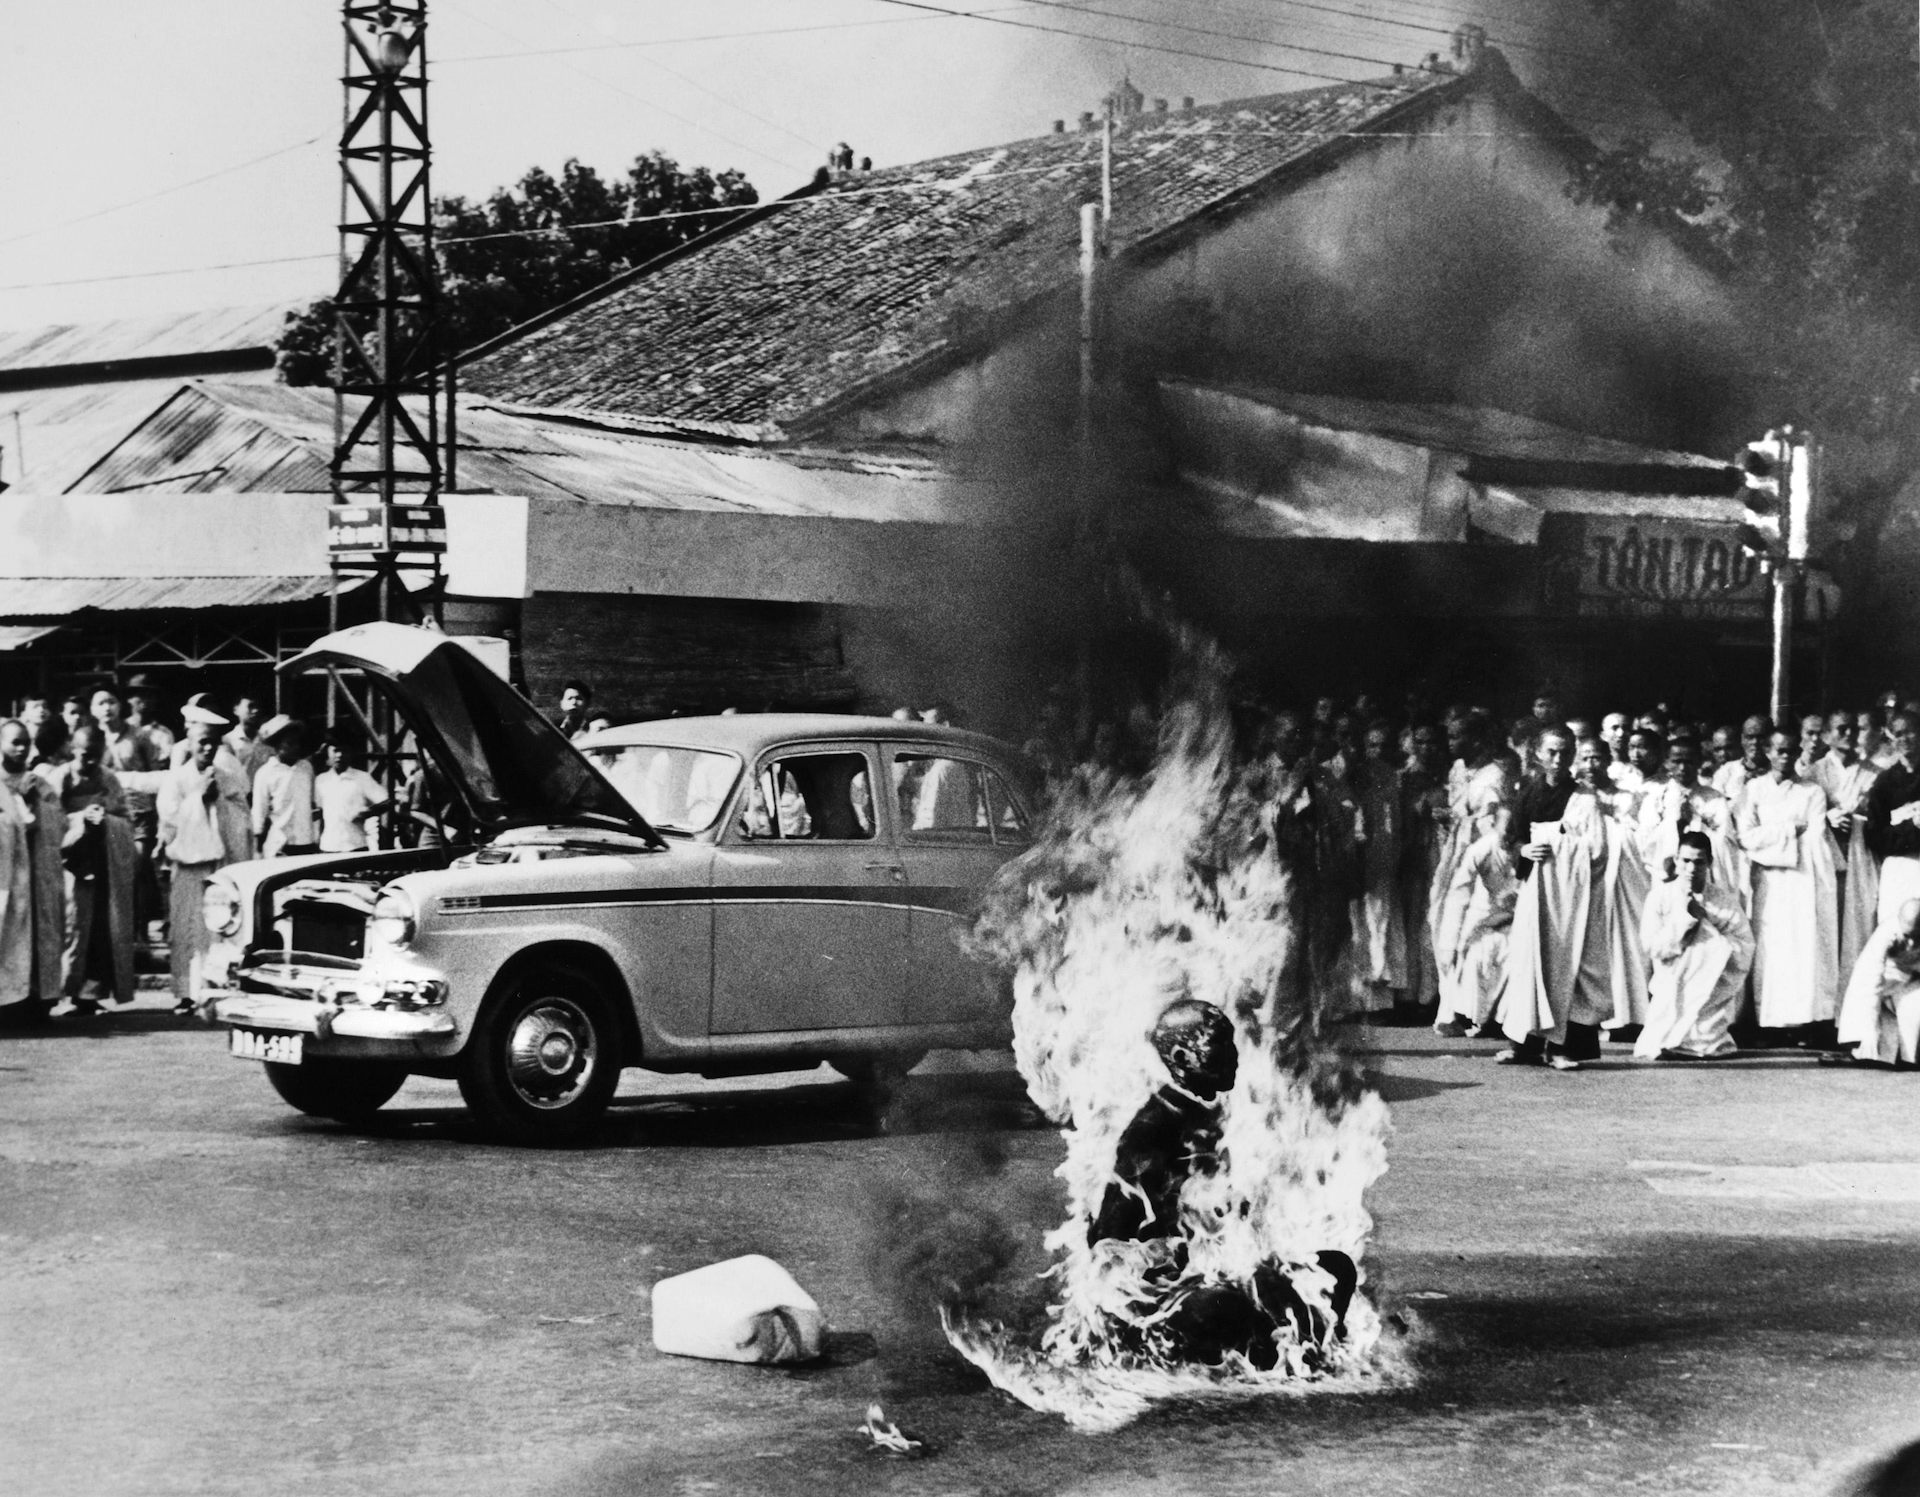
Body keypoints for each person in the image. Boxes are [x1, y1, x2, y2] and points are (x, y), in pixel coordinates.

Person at [1088, 998, 1357, 1369]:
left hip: (1221, 1270)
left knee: (1335, 1268)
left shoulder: (1215, 1116)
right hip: (1168, 1294)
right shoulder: (1151, 1129)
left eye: (1232, 1043)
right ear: (1182, 1058)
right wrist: (1167, 1254)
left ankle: (1294, 1348)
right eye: (1220, 1045)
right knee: (1221, 1306)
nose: (1233, 1056)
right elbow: (1106, 1242)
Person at [1495, 732, 1614, 1070]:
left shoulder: (1584, 798)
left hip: (1572, 898)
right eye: (1552, 752)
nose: (1559, 760)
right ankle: (1525, 1047)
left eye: (1565, 753)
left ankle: (1563, 1048)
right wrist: (1525, 849)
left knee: (1569, 967)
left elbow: (1597, 850)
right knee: (1530, 964)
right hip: (1537, 892)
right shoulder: (1529, 792)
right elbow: (1513, 837)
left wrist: (1558, 843)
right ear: (1537, 754)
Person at [1738, 727, 1839, 1037]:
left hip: (1802, 882)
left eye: (1791, 750)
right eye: (1779, 750)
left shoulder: (1812, 792)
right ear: (1767, 751)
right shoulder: (1753, 790)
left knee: (1801, 947)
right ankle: (1769, 1023)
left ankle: (1802, 1022)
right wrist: (1787, 830)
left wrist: (1774, 838)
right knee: (1770, 946)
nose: (1786, 756)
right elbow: (1746, 837)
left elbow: (1814, 839)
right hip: (1767, 883)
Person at [42, 724, 139, 1014]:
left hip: (103, 862)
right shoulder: (59, 778)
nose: (91, 762)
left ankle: (89, 995)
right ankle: (61, 992)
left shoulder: (109, 779)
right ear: (73, 749)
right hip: (69, 864)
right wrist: (80, 819)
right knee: (72, 927)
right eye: (85, 755)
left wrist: (107, 820)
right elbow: (51, 822)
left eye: (97, 756)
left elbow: (125, 818)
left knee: (100, 929)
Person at [1634, 831, 1756, 1061]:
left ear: (1709, 862)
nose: (1691, 869)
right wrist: (1686, 922)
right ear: (1676, 861)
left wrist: (1707, 934)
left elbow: (1745, 947)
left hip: (1710, 991)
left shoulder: (1725, 902)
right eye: (1686, 861)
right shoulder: (1659, 897)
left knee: (1708, 1040)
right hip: (1671, 983)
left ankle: (1705, 1039)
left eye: (1699, 862)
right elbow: (1652, 947)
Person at [156, 725, 251, 1013]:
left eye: (213, 743)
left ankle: (214, 990)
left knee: (218, 928)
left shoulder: (227, 777)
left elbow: (241, 815)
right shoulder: (176, 779)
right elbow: (170, 818)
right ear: (190, 744)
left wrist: (219, 802)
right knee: (187, 927)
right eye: (203, 743)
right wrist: (199, 800)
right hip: (188, 863)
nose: (208, 749)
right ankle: (187, 993)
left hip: (219, 865)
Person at [1429, 709, 1510, 1035]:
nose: (1451, 743)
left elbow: (1492, 823)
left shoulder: (1494, 777)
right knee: (1442, 923)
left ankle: (1477, 1013)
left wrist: (1459, 819)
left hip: (1480, 866)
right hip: (1454, 857)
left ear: (1476, 740)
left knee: (1472, 930)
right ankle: (1454, 1007)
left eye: (1456, 736)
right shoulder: (1459, 769)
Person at [0, 719, 66, 1026]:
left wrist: (35, 803)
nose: (21, 748)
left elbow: (58, 823)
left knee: (39, 936)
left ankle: (36, 1001)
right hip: (7, 877)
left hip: (37, 874)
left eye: (26, 742)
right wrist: (17, 808)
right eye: (14, 741)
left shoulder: (39, 782)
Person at [1345, 721, 1406, 1016]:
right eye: (1371, 745)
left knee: (1381, 921)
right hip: (1360, 861)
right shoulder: (1355, 778)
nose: (1376, 751)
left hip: (1382, 859)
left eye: (1381, 745)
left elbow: (1393, 823)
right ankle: (1360, 998)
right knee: (1362, 924)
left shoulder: (1391, 780)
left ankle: (1382, 998)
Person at [1814, 708, 1880, 980]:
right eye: (1842, 728)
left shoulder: (1874, 773)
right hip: (1826, 859)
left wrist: (1861, 815)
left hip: (1860, 857)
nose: (1850, 733)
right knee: (1826, 929)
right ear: (1827, 735)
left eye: (1854, 727)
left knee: (1858, 925)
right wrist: (1825, 815)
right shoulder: (1815, 772)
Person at [1398, 720, 1449, 1016]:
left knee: (1436, 921)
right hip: (1417, 854)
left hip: (1441, 853)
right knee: (1416, 923)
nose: (1426, 748)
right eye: (1420, 742)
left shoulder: (1448, 775)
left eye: (1431, 742)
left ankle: (1434, 995)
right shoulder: (1404, 778)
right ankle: (1413, 995)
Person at [1833, 898, 1920, 1068]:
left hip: (1912, 986)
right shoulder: (1884, 935)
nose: (1910, 943)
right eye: (1906, 936)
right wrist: (1868, 1033)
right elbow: (1869, 985)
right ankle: (1864, 1048)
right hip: (1883, 991)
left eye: (1916, 936)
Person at [1864, 712, 1920, 926]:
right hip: (1900, 868)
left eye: (1910, 732)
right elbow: (1874, 835)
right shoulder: (1885, 782)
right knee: (1895, 931)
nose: (1904, 739)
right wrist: (1913, 827)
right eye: (1898, 734)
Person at [251, 716, 317, 857]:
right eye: (290, 743)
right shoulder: (265, 773)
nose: (296, 747)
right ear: (277, 745)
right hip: (281, 844)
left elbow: (312, 804)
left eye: (297, 742)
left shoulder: (306, 768)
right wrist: (257, 849)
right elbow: (259, 813)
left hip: (307, 842)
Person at [315, 733, 389, 852]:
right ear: (328, 752)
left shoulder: (362, 778)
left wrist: (368, 813)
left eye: (344, 751)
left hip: (355, 845)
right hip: (328, 846)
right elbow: (320, 813)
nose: (339, 755)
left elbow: (387, 801)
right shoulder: (321, 780)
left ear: (350, 753)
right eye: (335, 750)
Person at [1711, 714, 1771, 804]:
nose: (1755, 742)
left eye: (1761, 737)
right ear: (1742, 739)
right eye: (1750, 737)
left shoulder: (1777, 772)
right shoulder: (1727, 771)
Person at [221, 693, 273, 787]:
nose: (256, 711)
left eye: (258, 707)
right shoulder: (228, 741)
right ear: (236, 710)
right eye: (251, 706)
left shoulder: (267, 740)